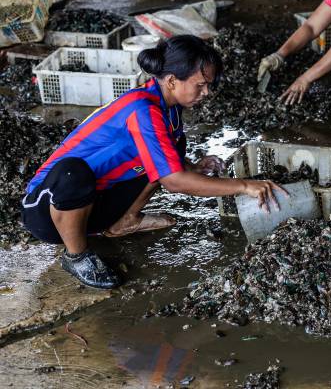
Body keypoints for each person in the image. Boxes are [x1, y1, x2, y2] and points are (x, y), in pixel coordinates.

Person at [20, 36, 287, 289]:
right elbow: (172, 181)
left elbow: (166, 159)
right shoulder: (142, 108)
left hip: (95, 202)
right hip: (47, 211)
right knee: (72, 173)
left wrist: (193, 167)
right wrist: (243, 186)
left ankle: (125, 221)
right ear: (172, 80)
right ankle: (76, 256)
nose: (207, 93)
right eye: (200, 85)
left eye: (209, 85)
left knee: (174, 151)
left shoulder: (168, 107)